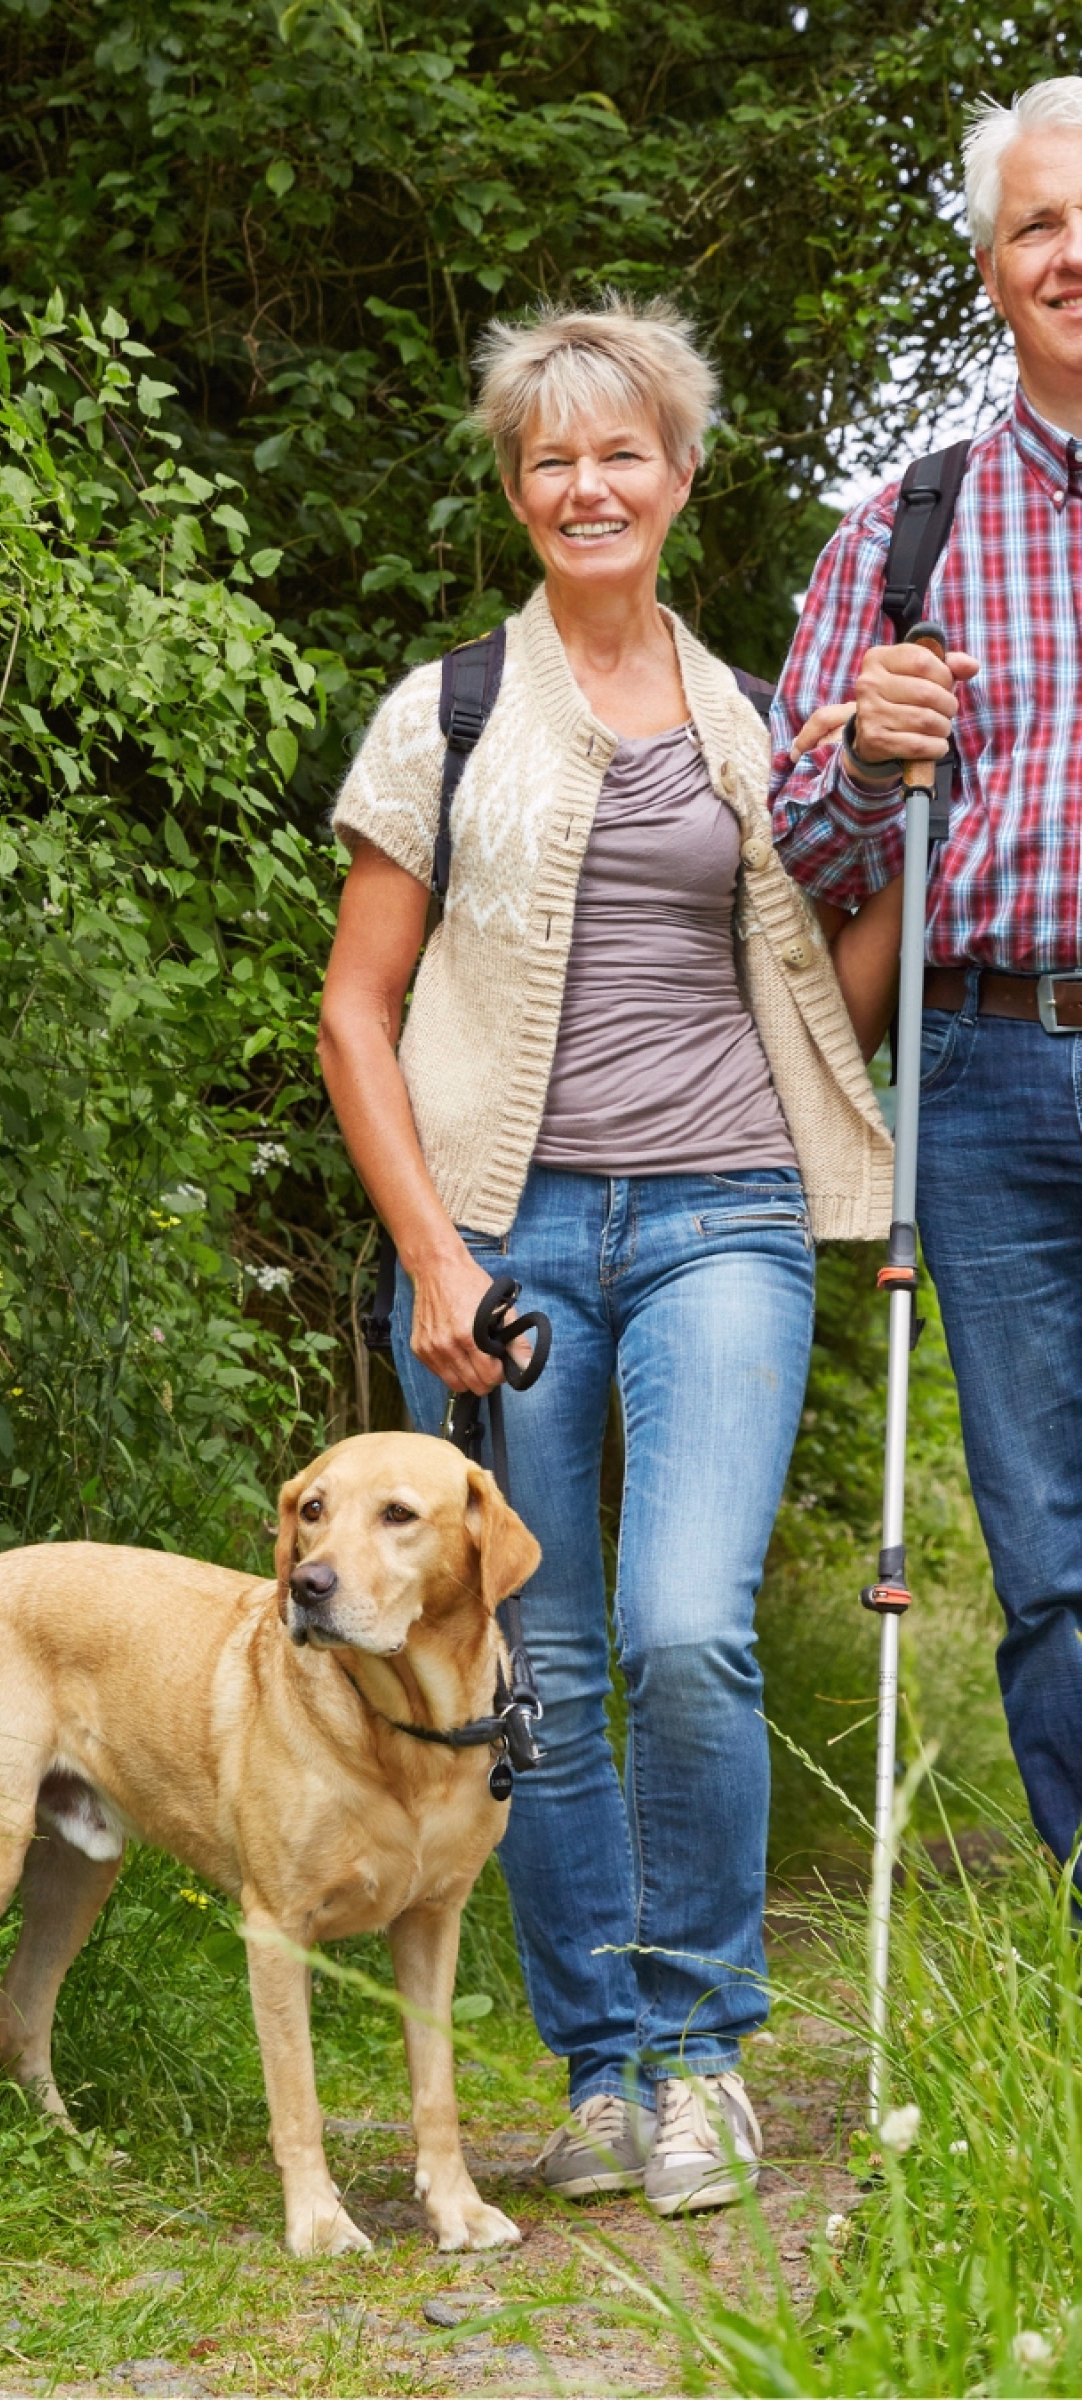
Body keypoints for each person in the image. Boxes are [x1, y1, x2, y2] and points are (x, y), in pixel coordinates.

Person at [318, 300, 892, 2214]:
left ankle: (712, 2052)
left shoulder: (756, 721)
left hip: (726, 1206)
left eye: (620, 451)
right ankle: (606, 2072)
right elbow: (354, 1010)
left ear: (680, 474)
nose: (587, 485)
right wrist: (429, 1256)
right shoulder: (447, 709)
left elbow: (824, 995)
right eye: (550, 457)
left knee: (683, 1626)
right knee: (532, 1658)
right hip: (503, 1229)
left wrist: (903, 827)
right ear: (514, 486)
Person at [772, 75, 1082, 1887]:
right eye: (1039, 223)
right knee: (1049, 1550)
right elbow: (803, 858)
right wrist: (868, 759)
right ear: (989, 268)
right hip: (984, 1067)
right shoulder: (907, 529)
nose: (1073, 252)